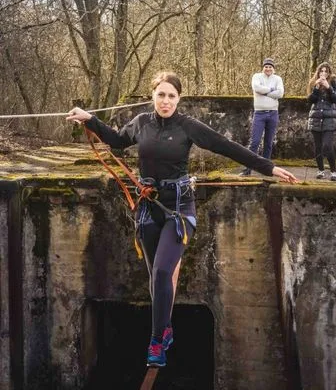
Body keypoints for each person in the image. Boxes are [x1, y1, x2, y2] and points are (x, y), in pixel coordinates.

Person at [66, 72, 299, 368]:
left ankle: (157, 338)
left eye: (171, 96)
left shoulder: (187, 126)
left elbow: (226, 147)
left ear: (179, 98)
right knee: (155, 278)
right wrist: (89, 119)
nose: (166, 101)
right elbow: (117, 141)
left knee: (164, 272)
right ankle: (166, 327)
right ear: (153, 96)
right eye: (161, 95)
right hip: (148, 207)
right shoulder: (140, 124)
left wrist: (269, 168)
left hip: (178, 209)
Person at [240, 58, 284, 176]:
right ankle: (247, 169)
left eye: (270, 67)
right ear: (263, 67)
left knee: (269, 143)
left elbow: (280, 93)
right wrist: (271, 91)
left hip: (273, 113)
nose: (268, 69)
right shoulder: (257, 77)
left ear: (273, 69)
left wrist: (264, 92)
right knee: (254, 142)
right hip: (259, 113)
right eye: (266, 66)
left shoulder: (278, 79)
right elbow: (256, 88)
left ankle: (266, 170)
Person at [307, 62, 336, 181]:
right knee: (318, 147)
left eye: (326, 71)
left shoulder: (334, 82)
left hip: (328, 119)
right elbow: (310, 100)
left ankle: (333, 171)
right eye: (321, 71)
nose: (323, 73)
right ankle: (320, 170)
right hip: (315, 118)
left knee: (327, 146)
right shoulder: (313, 83)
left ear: (329, 73)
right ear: (318, 72)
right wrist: (316, 88)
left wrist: (329, 88)